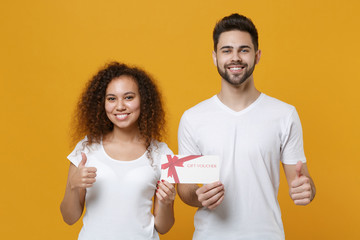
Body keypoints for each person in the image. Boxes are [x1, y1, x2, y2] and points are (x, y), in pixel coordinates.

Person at [177, 13, 316, 240]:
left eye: (244, 50)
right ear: (215, 57)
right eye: (227, 50)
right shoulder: (193, 118)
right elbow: (185, 188)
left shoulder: (284, 114)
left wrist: (306, 189)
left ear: (257, 55)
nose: (235, 57)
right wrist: (198, 196)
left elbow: (303, 182)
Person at [60, 62, 175, 240]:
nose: (120, 106)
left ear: (143, 100)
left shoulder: (162, 153)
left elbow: (164, 227)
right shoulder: (86, 148)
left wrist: (167, 203)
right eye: (112, 98)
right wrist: (73, 186)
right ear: (102, 103)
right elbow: (69, 218)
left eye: (128, 97)